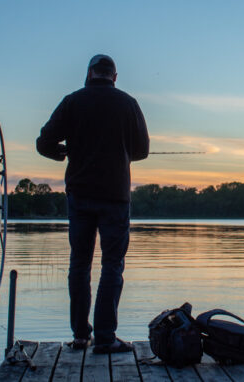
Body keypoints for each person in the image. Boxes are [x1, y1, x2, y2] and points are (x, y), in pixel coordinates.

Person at [36, 54, 149, 353]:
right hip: (115, 196)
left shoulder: (72, 101)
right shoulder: (128, 103)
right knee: (112, 265)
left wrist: (61, 153)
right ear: (114, 76)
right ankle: (106, 337)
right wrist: (122, 152)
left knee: (80, 264)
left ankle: (80, 336)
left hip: (80, 195)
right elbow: (142, 150)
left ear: (89, 73)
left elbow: (43, 142)